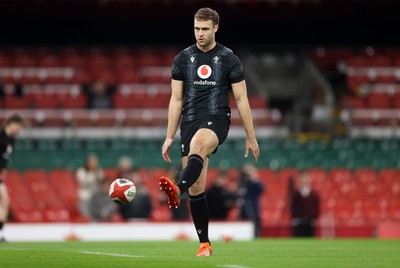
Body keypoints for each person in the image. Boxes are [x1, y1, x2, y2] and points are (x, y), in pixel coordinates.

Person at [159, 7, 260, 256]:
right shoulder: (182, 59)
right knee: (197, 188)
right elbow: (176, 100)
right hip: (190, 121)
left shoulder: (229, 59)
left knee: (198, 146)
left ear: (215, 28)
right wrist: (170, 135)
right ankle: (205, 244)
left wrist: (251, 136)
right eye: (196, 28)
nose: (200, 34)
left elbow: (242, 99)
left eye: (205, 29)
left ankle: (176, 190)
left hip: (216, 118)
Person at [0, 114, 25, 242]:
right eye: (19, 127)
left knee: (5, 201)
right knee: (4, 200)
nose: (20, 130)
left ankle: (1, 233)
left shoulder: (12, 140)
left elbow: (5, 158)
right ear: (13, 124)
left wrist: (3, 169)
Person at [237, 164, 264, 237]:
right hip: (243, 207)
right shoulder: (242, 181)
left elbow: (262, 188)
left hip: (252, 206)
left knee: (254, 223)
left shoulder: (253, 182)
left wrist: (254, 178)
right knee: (242, 223)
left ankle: (256, 236)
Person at [76, 154, 104, 219]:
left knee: (96, 217)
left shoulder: (99, 171)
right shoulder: (81, 171)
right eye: (91, 162)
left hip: (96, 198)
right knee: (86, 217)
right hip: (85, 198)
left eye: (95, 162)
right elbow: (84, 182)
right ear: (87, 162)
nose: (93, 164)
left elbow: (102, 183)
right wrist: (93, 174)